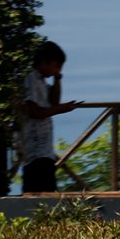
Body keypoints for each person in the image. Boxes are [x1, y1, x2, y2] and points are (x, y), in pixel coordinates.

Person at [17, 40, 80, 193]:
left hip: (44, 151)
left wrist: (58, 78)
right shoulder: (30, 78)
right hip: (34, 151)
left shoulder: (41, 81)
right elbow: (34, 111)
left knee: (47, 193)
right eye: (56, 66)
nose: (56, 70)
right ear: (44, 62)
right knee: (39, 195)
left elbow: (53, 101)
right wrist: (61, 109)